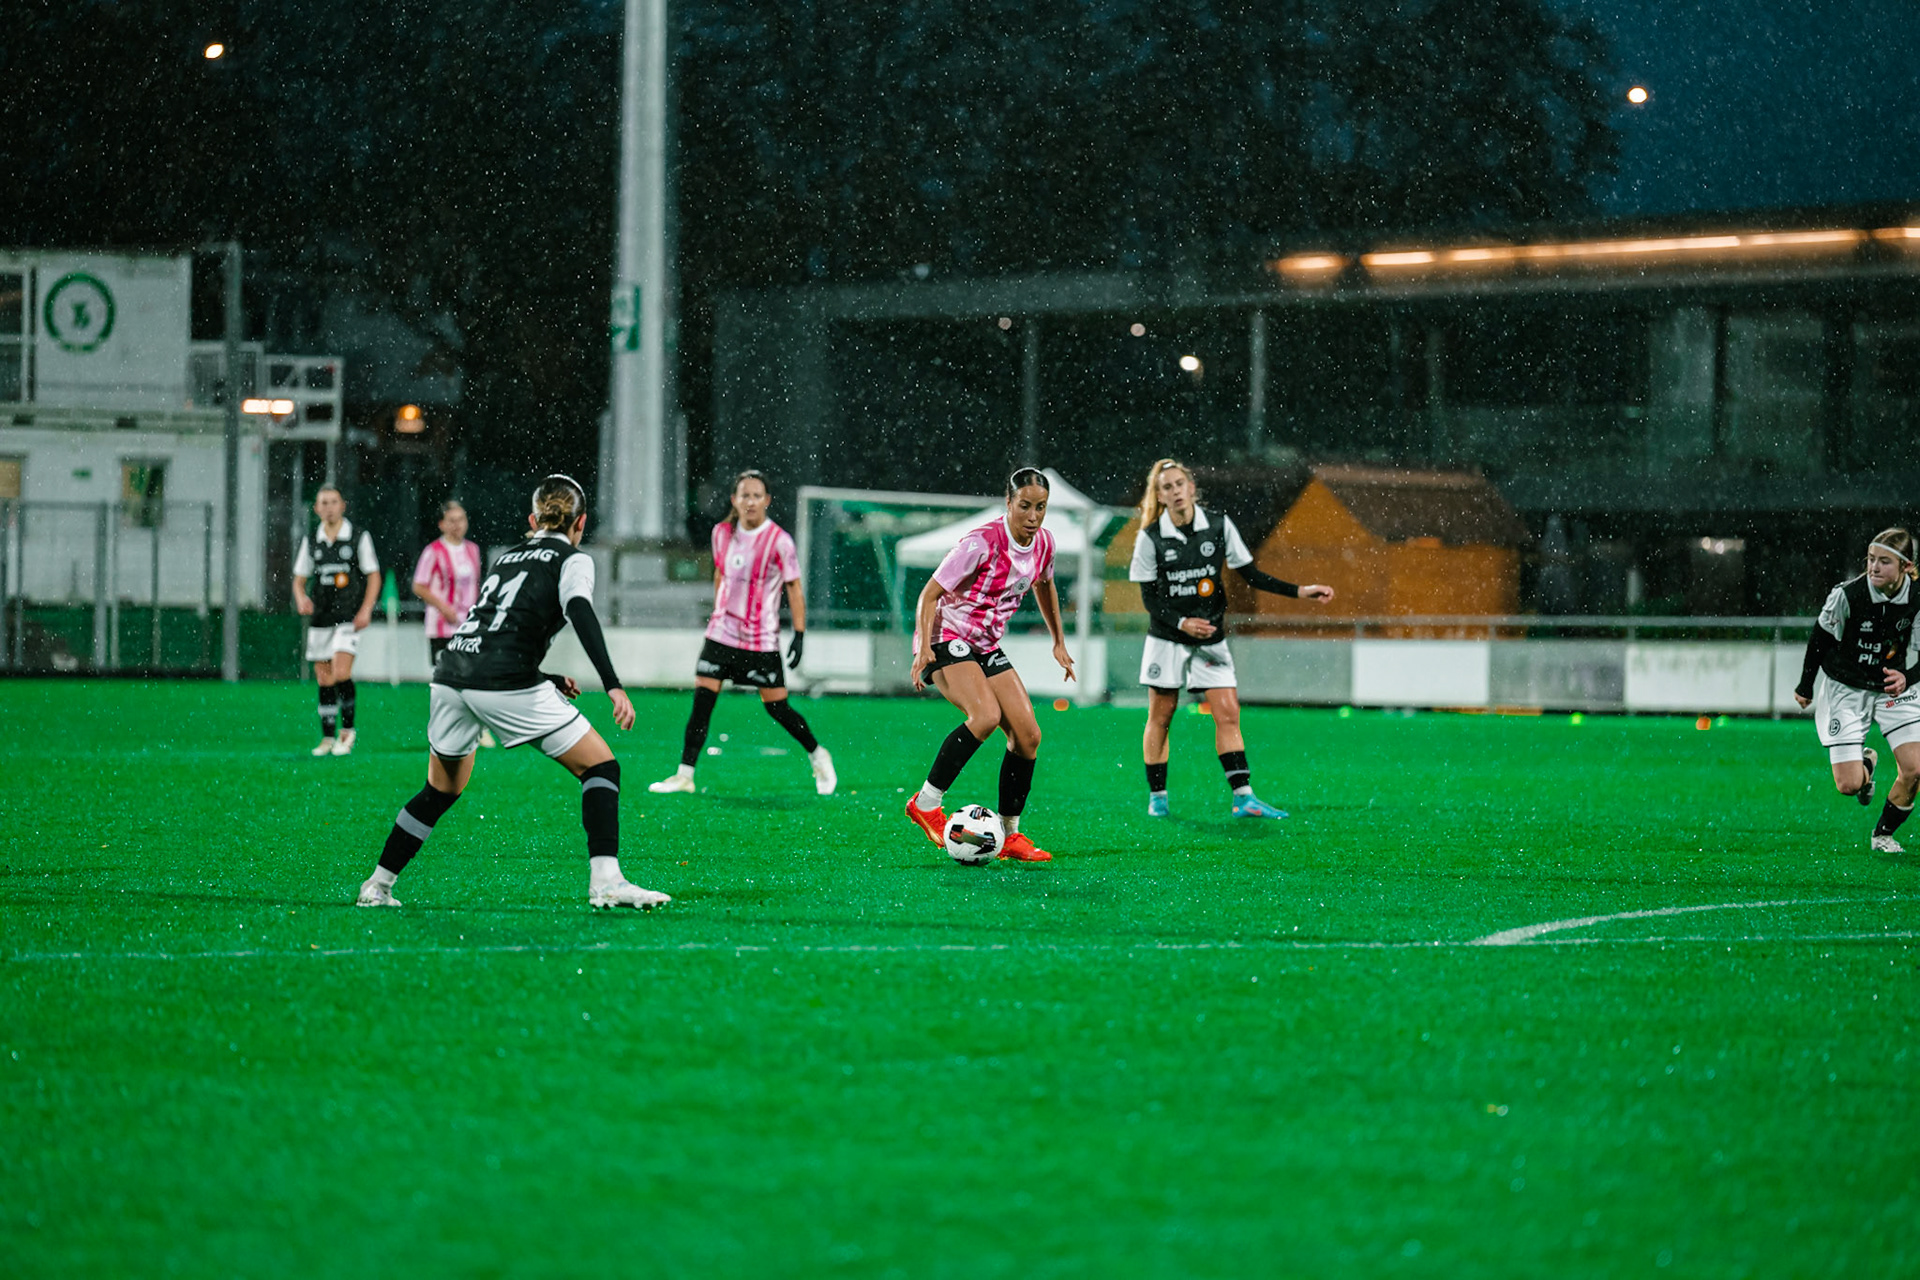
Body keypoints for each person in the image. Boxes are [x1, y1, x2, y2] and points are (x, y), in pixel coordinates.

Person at [356, 474, 668, 910]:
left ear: (532, 519)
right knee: (601, 767)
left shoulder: (507, 558)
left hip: (451, 672)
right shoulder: (572, 558)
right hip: (501, 681)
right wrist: (613, 685)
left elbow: (495, 628)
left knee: (440, 791)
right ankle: (607, 882)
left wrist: (547, 677)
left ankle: (377, 885)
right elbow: (578, 609)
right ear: (580, 523)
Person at [1128, 458, 1335, 818]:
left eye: (1180, 484)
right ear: (1159, 496)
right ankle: (1158, 796)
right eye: (1167, 487)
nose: (1175, 491)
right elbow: (1150, 600)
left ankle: (1244, 797)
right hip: (1167, 639)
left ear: (1191, 488)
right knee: (1162, 715)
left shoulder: (1219, 526)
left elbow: (1252, 575)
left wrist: (1302, 591)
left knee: (1228, 713)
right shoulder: (1150, 538)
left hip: (1210, 638)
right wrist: (1182, 623)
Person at [903, 468, 1074, 863]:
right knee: (984, 716)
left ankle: (1010, 834)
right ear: (1008, 503)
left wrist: (1058, 641)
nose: (1033, 516)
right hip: (945, 636)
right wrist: (923, 650)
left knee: (1028, 735)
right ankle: (926, 804)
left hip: (984, 643)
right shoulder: (981, 542)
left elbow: (1044, 584)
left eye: (1041, 508)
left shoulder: (1044, 544)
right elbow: (929, 595)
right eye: (1025, 506)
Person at [649, 470, 836, 796]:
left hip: (760, 639)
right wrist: (717, 612)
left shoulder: (779, 540)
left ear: (767, 501)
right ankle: (684, 775)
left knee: (777, 707)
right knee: (702, 702)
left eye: (756, 495)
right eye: (744, 495)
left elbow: (793, 587)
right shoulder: (721, 532)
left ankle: (818, 754)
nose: (750, 501)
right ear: (734, 500)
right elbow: (721, 574)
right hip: (721, 634)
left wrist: (799, 633)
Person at [1793, 527, 1920, 853]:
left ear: (1906, 567)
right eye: (1870, 560)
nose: (1874, 567)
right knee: (1848, 786)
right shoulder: (1847, 595)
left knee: (1915, 768)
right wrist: (1806, 685)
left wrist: (1908, 676)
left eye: (1884, 562)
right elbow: (1820, 637)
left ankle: (1883, 834)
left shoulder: (1918, 598)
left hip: (1895, 689)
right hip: (1847, 688)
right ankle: (1867, 763)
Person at [292, 486, 381, 756]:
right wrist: (300, 598)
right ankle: (327, 736)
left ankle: (348, 732)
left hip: (348, 617)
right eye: (323, 503)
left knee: (341, 673)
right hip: (321, 617)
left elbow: (373, 575)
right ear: (316, 509)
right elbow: (299, 579)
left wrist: (365, 610)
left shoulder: (357, 538)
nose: (329, 507)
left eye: (333, 502)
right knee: (324, 678)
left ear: (343, 505)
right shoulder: (312, 540)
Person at [412, 499, 495, 747]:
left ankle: (477, 729)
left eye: (461, 519)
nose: (457, 525)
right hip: (441, 625)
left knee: (474, 676)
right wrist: (443, 606)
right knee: (446, 680)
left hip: (468, 625)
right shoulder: (433, 551)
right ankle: (443, 729)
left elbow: (476, 586)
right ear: (441, 524)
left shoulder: (473, 550)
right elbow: (419, 585)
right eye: (452, 520)